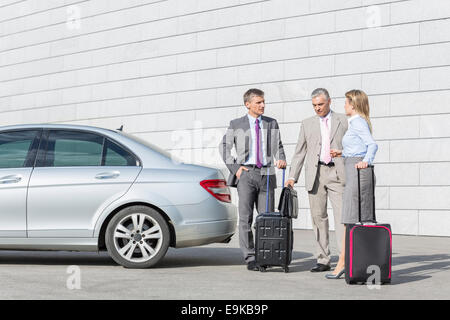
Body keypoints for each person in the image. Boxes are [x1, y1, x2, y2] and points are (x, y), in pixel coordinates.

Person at [219, 88, 287, 271]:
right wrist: (235, 168)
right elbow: (224, 147)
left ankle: (265, 254)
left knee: (266, 218)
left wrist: (281, 158)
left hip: (267, 174)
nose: (263, 105)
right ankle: (250, 257)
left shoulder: (271, 123)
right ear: (247, 104)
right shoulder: (236, 124)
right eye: (258, 102)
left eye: (264, 102)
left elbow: (278, 146)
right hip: (246, 175)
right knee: (246, 219)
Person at [286, 88, 348, 272]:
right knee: (318, 218)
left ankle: (344, 259)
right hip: (316, 174)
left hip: (338, 173)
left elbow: (354, 145)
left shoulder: (344, 121)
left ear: (330, 102)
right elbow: (300, 152)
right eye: (314, 105)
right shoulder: (307, 124)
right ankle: (323, 259)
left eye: (320, 104)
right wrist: (292, 177)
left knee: (342, 218)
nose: (317, 108)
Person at [326, 89, 378, 279]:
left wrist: (366, 160)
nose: (344, 105)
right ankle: (350, 262)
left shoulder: (358, 123)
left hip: (358, 172)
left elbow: (372, 145)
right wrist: (341, 152)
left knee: (351, 218)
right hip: (351, 167)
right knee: (352, 218)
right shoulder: (355, 123)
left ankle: (343, 262)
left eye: (346, 102)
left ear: (353, 104)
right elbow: (359, 146)